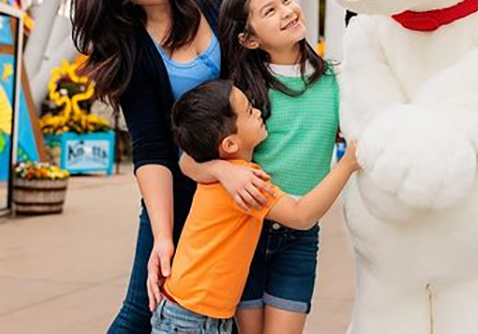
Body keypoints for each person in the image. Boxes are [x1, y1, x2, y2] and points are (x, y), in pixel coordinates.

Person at [70, 0, 267, 333]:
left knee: (229, 309)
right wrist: (163, 238)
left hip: (250, 179)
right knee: (143, 310)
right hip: (182, 190)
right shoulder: (130, 50)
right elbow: (151, 149)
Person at [182, 0, 339, 334]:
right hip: (245, 231)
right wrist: (224, 170)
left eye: (285, 0)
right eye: (270, 11)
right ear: (248, 39)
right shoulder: (239, 91)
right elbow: (187, 161)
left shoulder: (335, 80)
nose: (287, 11)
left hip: (300, 237)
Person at [151, 80, 358, 334]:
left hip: (189, 312)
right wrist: (347, 165)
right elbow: (302, 216)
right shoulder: (245, 182)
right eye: (249, 111)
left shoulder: (221, 175)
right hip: (190, 321)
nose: (259, 112)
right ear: (229, 145)